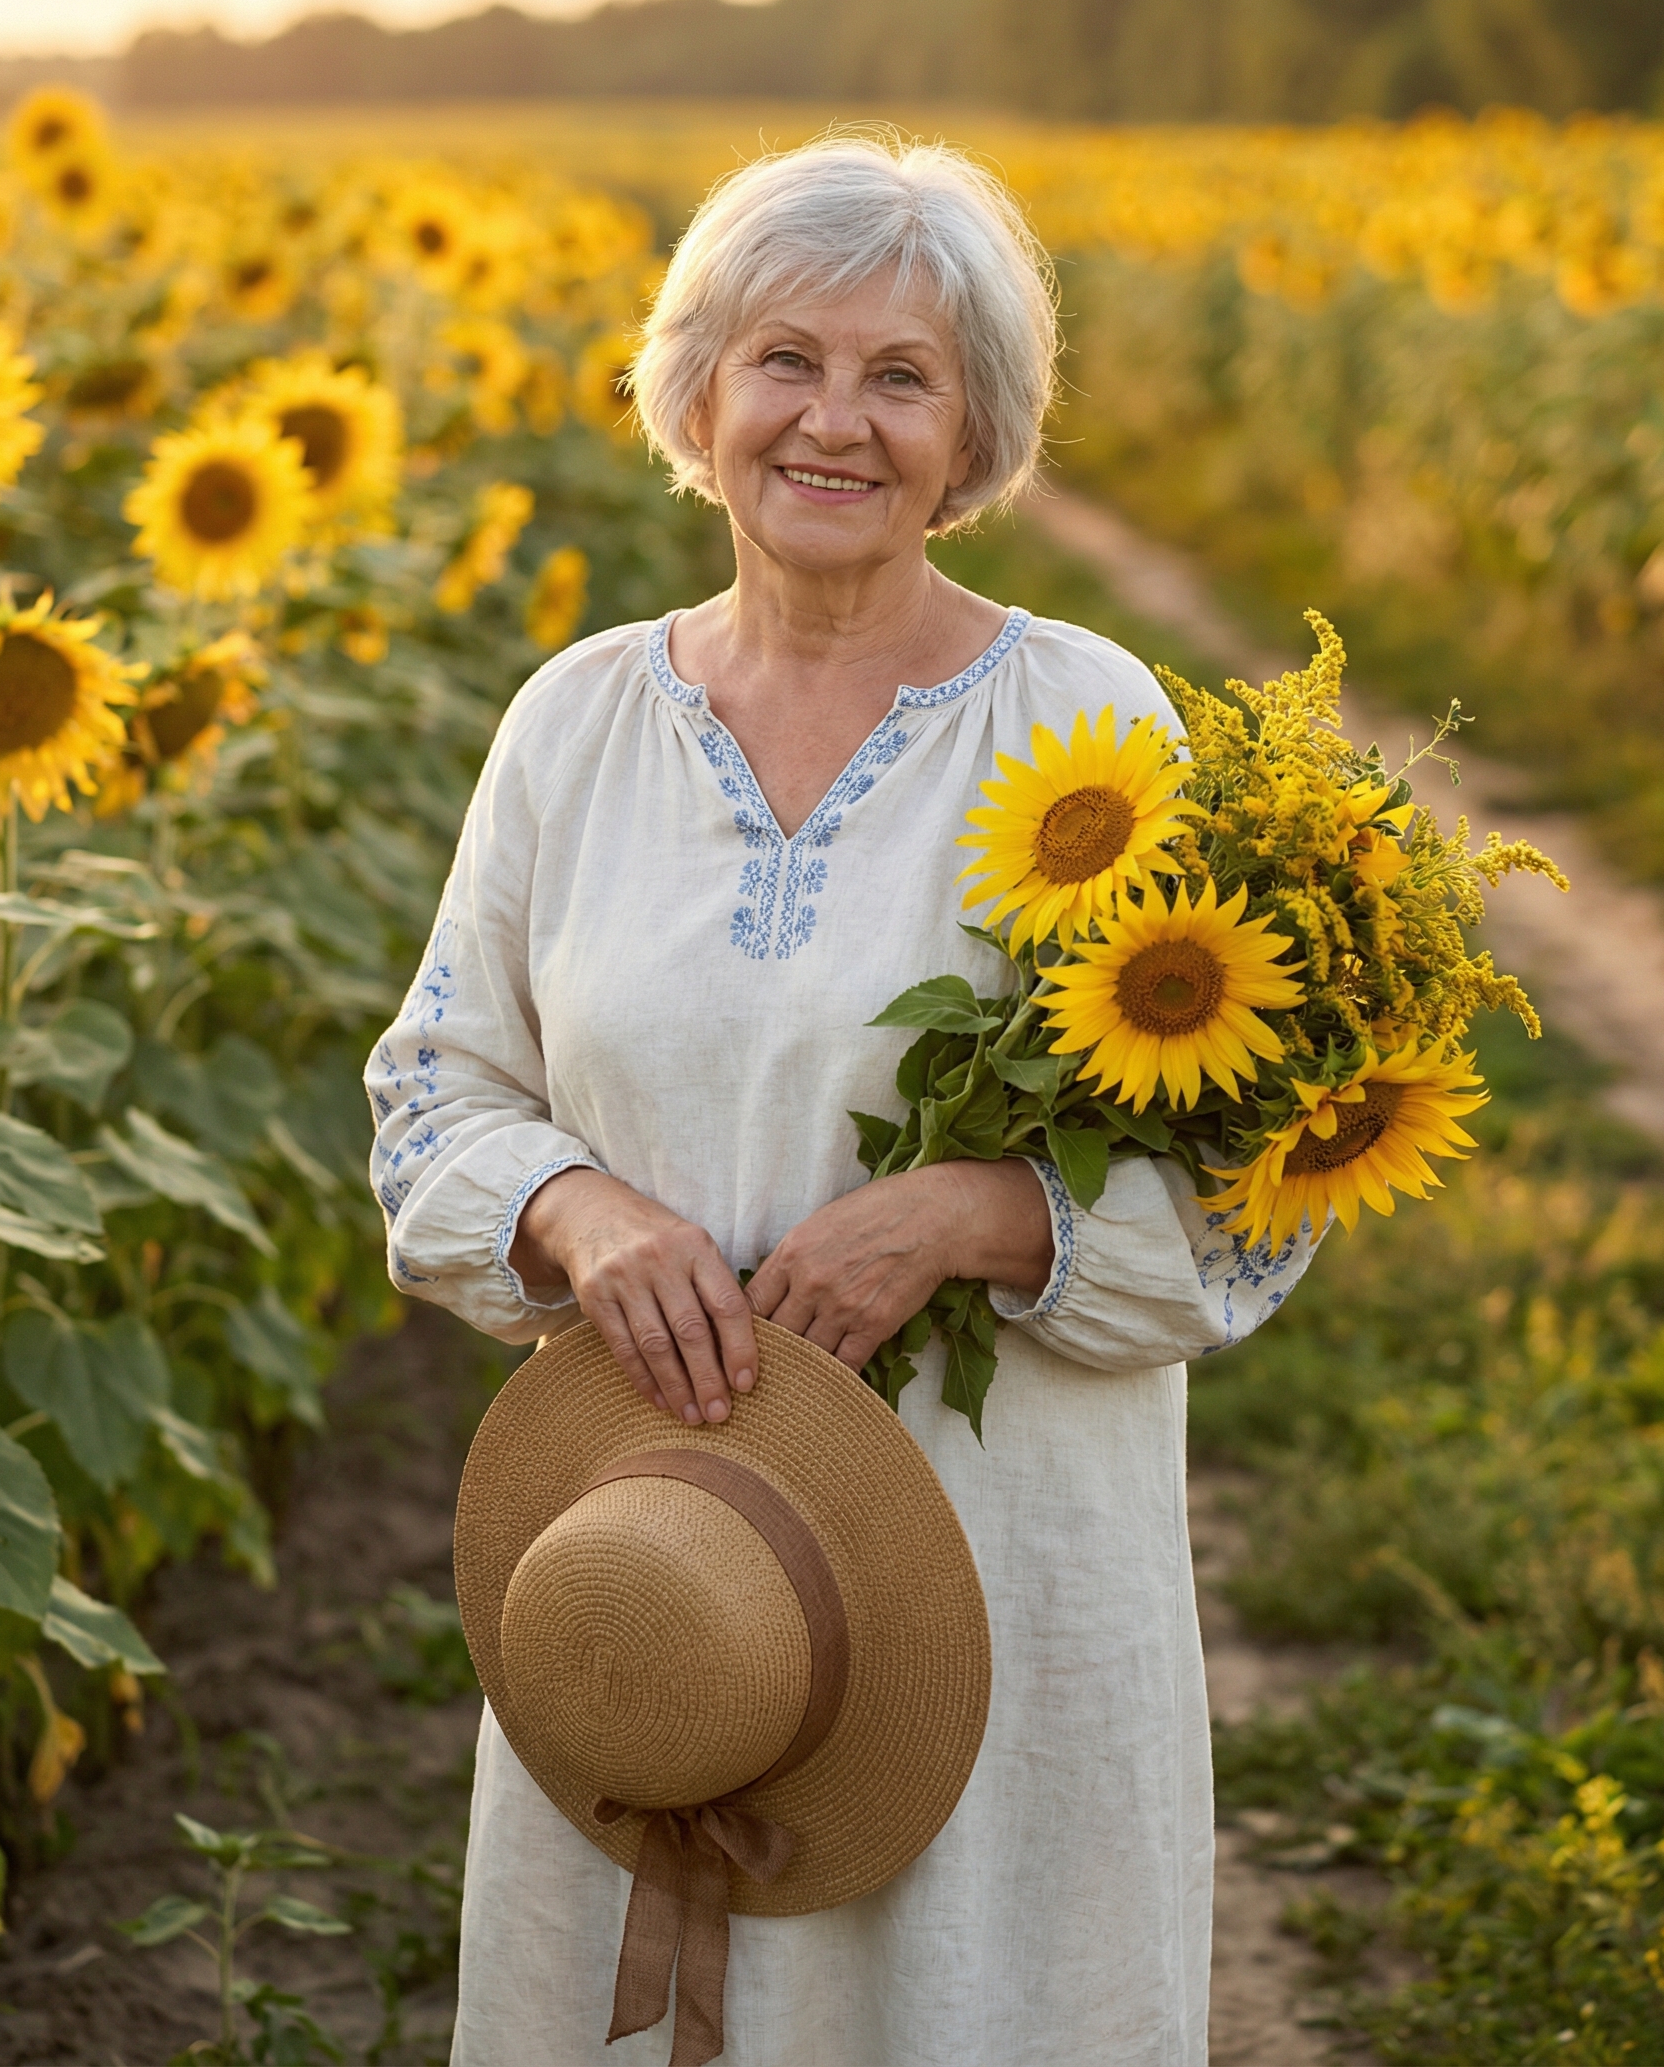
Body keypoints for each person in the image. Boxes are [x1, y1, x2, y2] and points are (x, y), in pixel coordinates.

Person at [366, 133, 1315, 2067]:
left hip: (996, 1568)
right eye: (788, 358)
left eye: (904, 378)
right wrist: (575, 1210)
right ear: (699, 389)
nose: (836, 422)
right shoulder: (576, 723)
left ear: (974, 436)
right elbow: (434, 1095)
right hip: (660, 1559)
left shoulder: (1096, 732)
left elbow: (1258, 1200)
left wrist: (981, 1215)